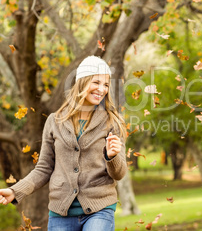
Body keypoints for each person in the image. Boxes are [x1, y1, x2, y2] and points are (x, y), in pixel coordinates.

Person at [0, 56, 127, 231]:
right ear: (82, 82)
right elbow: (43, 168)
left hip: (99, 209)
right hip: (61, 213)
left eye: (106, 84)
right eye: (96, 82)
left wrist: (111, 157)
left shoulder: (112, 122)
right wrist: (15, 191)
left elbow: (119, 174)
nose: (102, 89)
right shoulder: (55, 121)